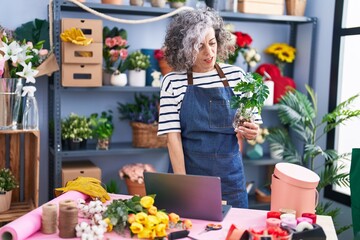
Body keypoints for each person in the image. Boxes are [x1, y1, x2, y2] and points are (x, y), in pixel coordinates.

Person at [157, 7, 262, 208]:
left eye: (212, 43)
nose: (209, 52)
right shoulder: (172, 82)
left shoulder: (237, 77)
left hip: (229, 180)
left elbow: (252, 127)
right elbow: (173, 137)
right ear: (185, 49)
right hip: (188, 175)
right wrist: (183, 184)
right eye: (199, 46)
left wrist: (252, 130)